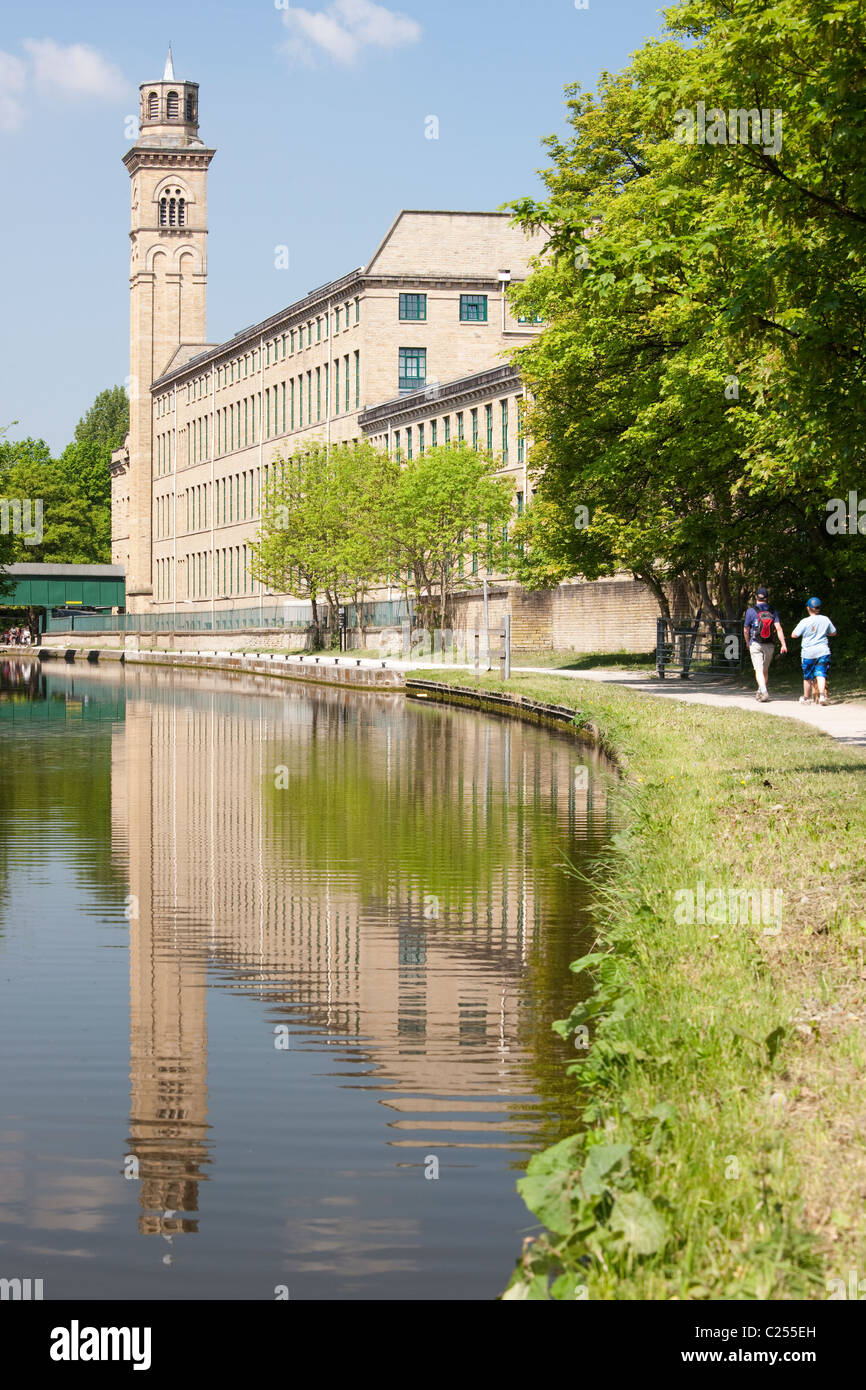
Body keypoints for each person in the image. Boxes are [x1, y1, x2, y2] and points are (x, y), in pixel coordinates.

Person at [743, 586, 787, 702]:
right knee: (764, 670)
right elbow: (778, 628)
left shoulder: (751, 611)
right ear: (767, 598)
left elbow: (746, 629)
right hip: (769, 644)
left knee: (758, 670)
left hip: (755, 643)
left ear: (756, 597)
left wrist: (747, 642)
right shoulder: (773, 611)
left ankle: (764, 691)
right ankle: (760, 691)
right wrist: (783, 644)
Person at [792, 597, 836, 706]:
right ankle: (822, 696)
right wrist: (825, 633)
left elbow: (794, 635)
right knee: (821, 673)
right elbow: (834, 632)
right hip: (823, 651)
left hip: (808, 653)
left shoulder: (804, 621)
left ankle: (806, 698)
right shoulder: (825, 619)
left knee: (807, 676)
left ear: (808, 608)